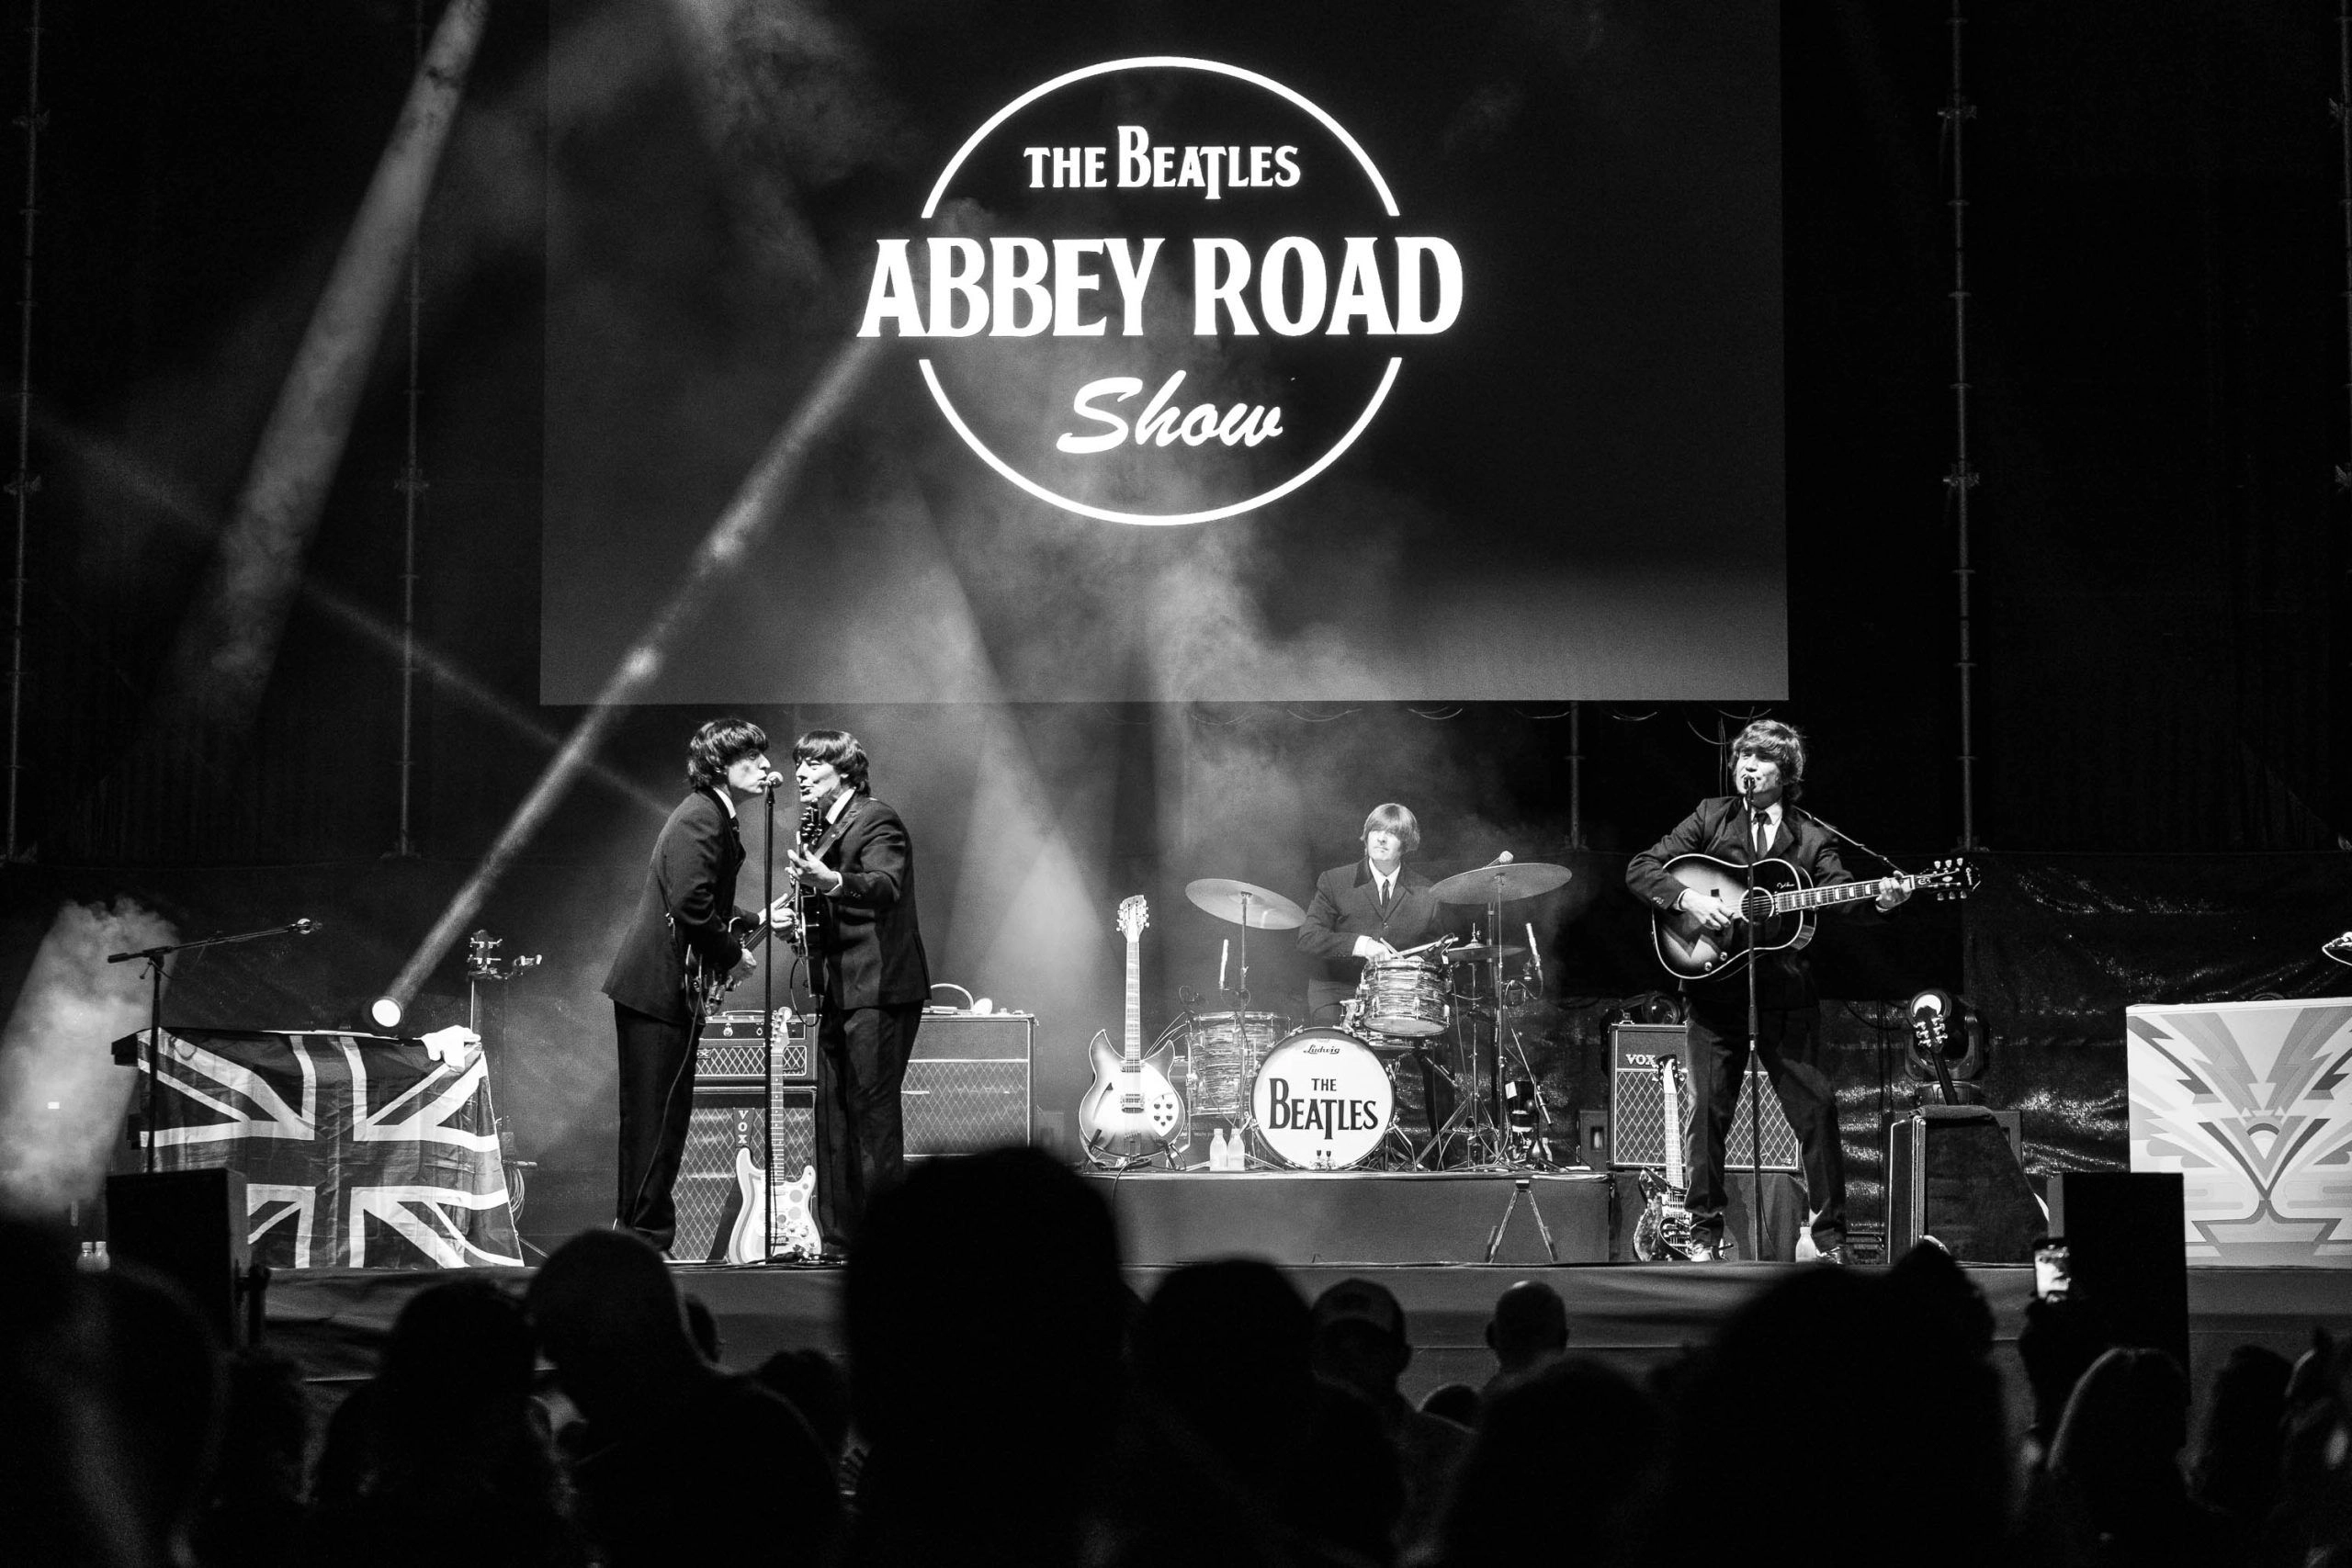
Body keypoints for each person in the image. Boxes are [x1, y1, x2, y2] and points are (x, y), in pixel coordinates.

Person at [1624, 719, 1905, 1262]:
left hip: (1785, 999)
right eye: (1742, 757)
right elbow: (1642, 868)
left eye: (1760, 758)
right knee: (1706, 1116)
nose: (1746, 766)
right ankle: (1703, 1234)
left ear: (1786, 773)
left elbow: (1838, 893)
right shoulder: (1711, 816)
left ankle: (1831, 1241)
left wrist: (1880, 901)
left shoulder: (1812, 837)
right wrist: (1688, 900)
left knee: (1817, 1112)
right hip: (1713, 996)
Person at [601, 716, 787, 1254]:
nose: (764, 766)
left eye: (762, 756)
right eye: (749, 758)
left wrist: (754, 921)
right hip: (658, 990)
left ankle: (640, 1237)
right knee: (656, 1121)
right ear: (719, 766)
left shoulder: (712, 815)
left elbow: (704, 897)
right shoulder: (702, 816)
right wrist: (732, 956)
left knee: (661, 1118)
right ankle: (643, 1240)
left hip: (665, 991)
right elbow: (689, 904)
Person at [783, 728, 930, 1258]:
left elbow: (887, 885)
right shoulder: (822, 827)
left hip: (880, 987)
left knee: (872, 1112)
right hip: (839, 987)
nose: (800, 773)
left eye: (812, 764)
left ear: (844, 770)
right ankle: (842, 1238)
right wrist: (798, 923)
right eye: (798, 764)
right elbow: (829, 907)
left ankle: (886, 1244)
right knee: (835, 1113)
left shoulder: (876, 818)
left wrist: (832, 881)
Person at [1299, 804, 1456, 1146]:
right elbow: (1308, 938)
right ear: (1366, 835)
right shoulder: (1334, 881)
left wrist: (1428, 967)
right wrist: (1361, 945)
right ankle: (1330, 1146)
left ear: (1406, 843)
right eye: (1376, 831)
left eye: (1392, 834)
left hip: (1396, 996)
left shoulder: (1427, 893)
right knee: (1329, 1050)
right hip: (1338, 990)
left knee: (1441, 1047)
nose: (1382, 839)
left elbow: (1436, 953)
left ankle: (1443, 1153)